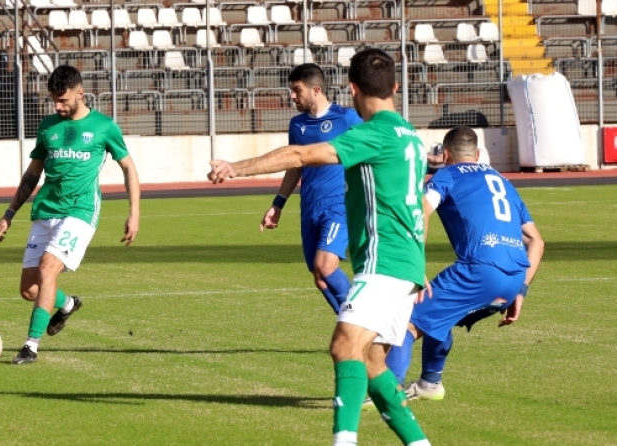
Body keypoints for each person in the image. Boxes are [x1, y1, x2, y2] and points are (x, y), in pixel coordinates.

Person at [208, 48, 431, 446]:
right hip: (406, 263)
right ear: (395, 87)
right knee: (371, 360)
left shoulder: (372, 133)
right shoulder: (411, 136)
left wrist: (235, 168)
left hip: (384, 262)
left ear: (353, 89)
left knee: (344, 346)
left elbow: (299, 155)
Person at [383, 125, 544, 401]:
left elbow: (422, 209)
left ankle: (386, 394)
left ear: (446, 155)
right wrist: (521, 291)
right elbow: (536, 241)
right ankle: (430, 384)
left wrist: (415, 263)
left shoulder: (447, 174)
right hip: (514, 278)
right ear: (478, 154)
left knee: (405, 319)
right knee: (439, 312)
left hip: (480, 272)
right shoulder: (503, 181)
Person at [0, 65, 141, 364]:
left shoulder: (104, 127)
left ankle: (30, 346)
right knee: (29, 289)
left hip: (80, 211)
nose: (57, 106)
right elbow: (32, 174)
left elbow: (128, 168)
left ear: (80, 93)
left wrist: (134, 213)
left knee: (48, 268)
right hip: (46, 210)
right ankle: (68, 304)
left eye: (63, 100)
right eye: (54, 100)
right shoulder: (48, 127)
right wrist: (9, 213)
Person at [260, 63, 362, 314]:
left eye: (297, 90)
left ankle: (363, 320)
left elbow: (373, 146)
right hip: (310, 207)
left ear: (316, 90)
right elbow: (294, 166)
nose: (292, 96)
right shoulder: (297, 125)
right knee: (319, 276)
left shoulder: (346, 118)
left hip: (339, 206)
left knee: (325, 265)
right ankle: (354, 326)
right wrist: (278, 204)